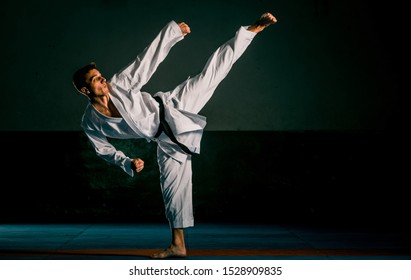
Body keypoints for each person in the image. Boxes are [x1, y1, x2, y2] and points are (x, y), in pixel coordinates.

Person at [72, 12, 277, 259]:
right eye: (95, 79)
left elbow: (145, 61)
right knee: (172, 188)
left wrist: (173, 34)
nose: (102, 79)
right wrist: (125, 161)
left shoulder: (119, 84)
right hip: (165, 140)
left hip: (174, 105)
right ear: (85, 90)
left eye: (100, 75)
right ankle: (178, 246)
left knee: (212, 72)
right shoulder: (91, 121)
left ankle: (252, 29)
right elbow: (102, 149)